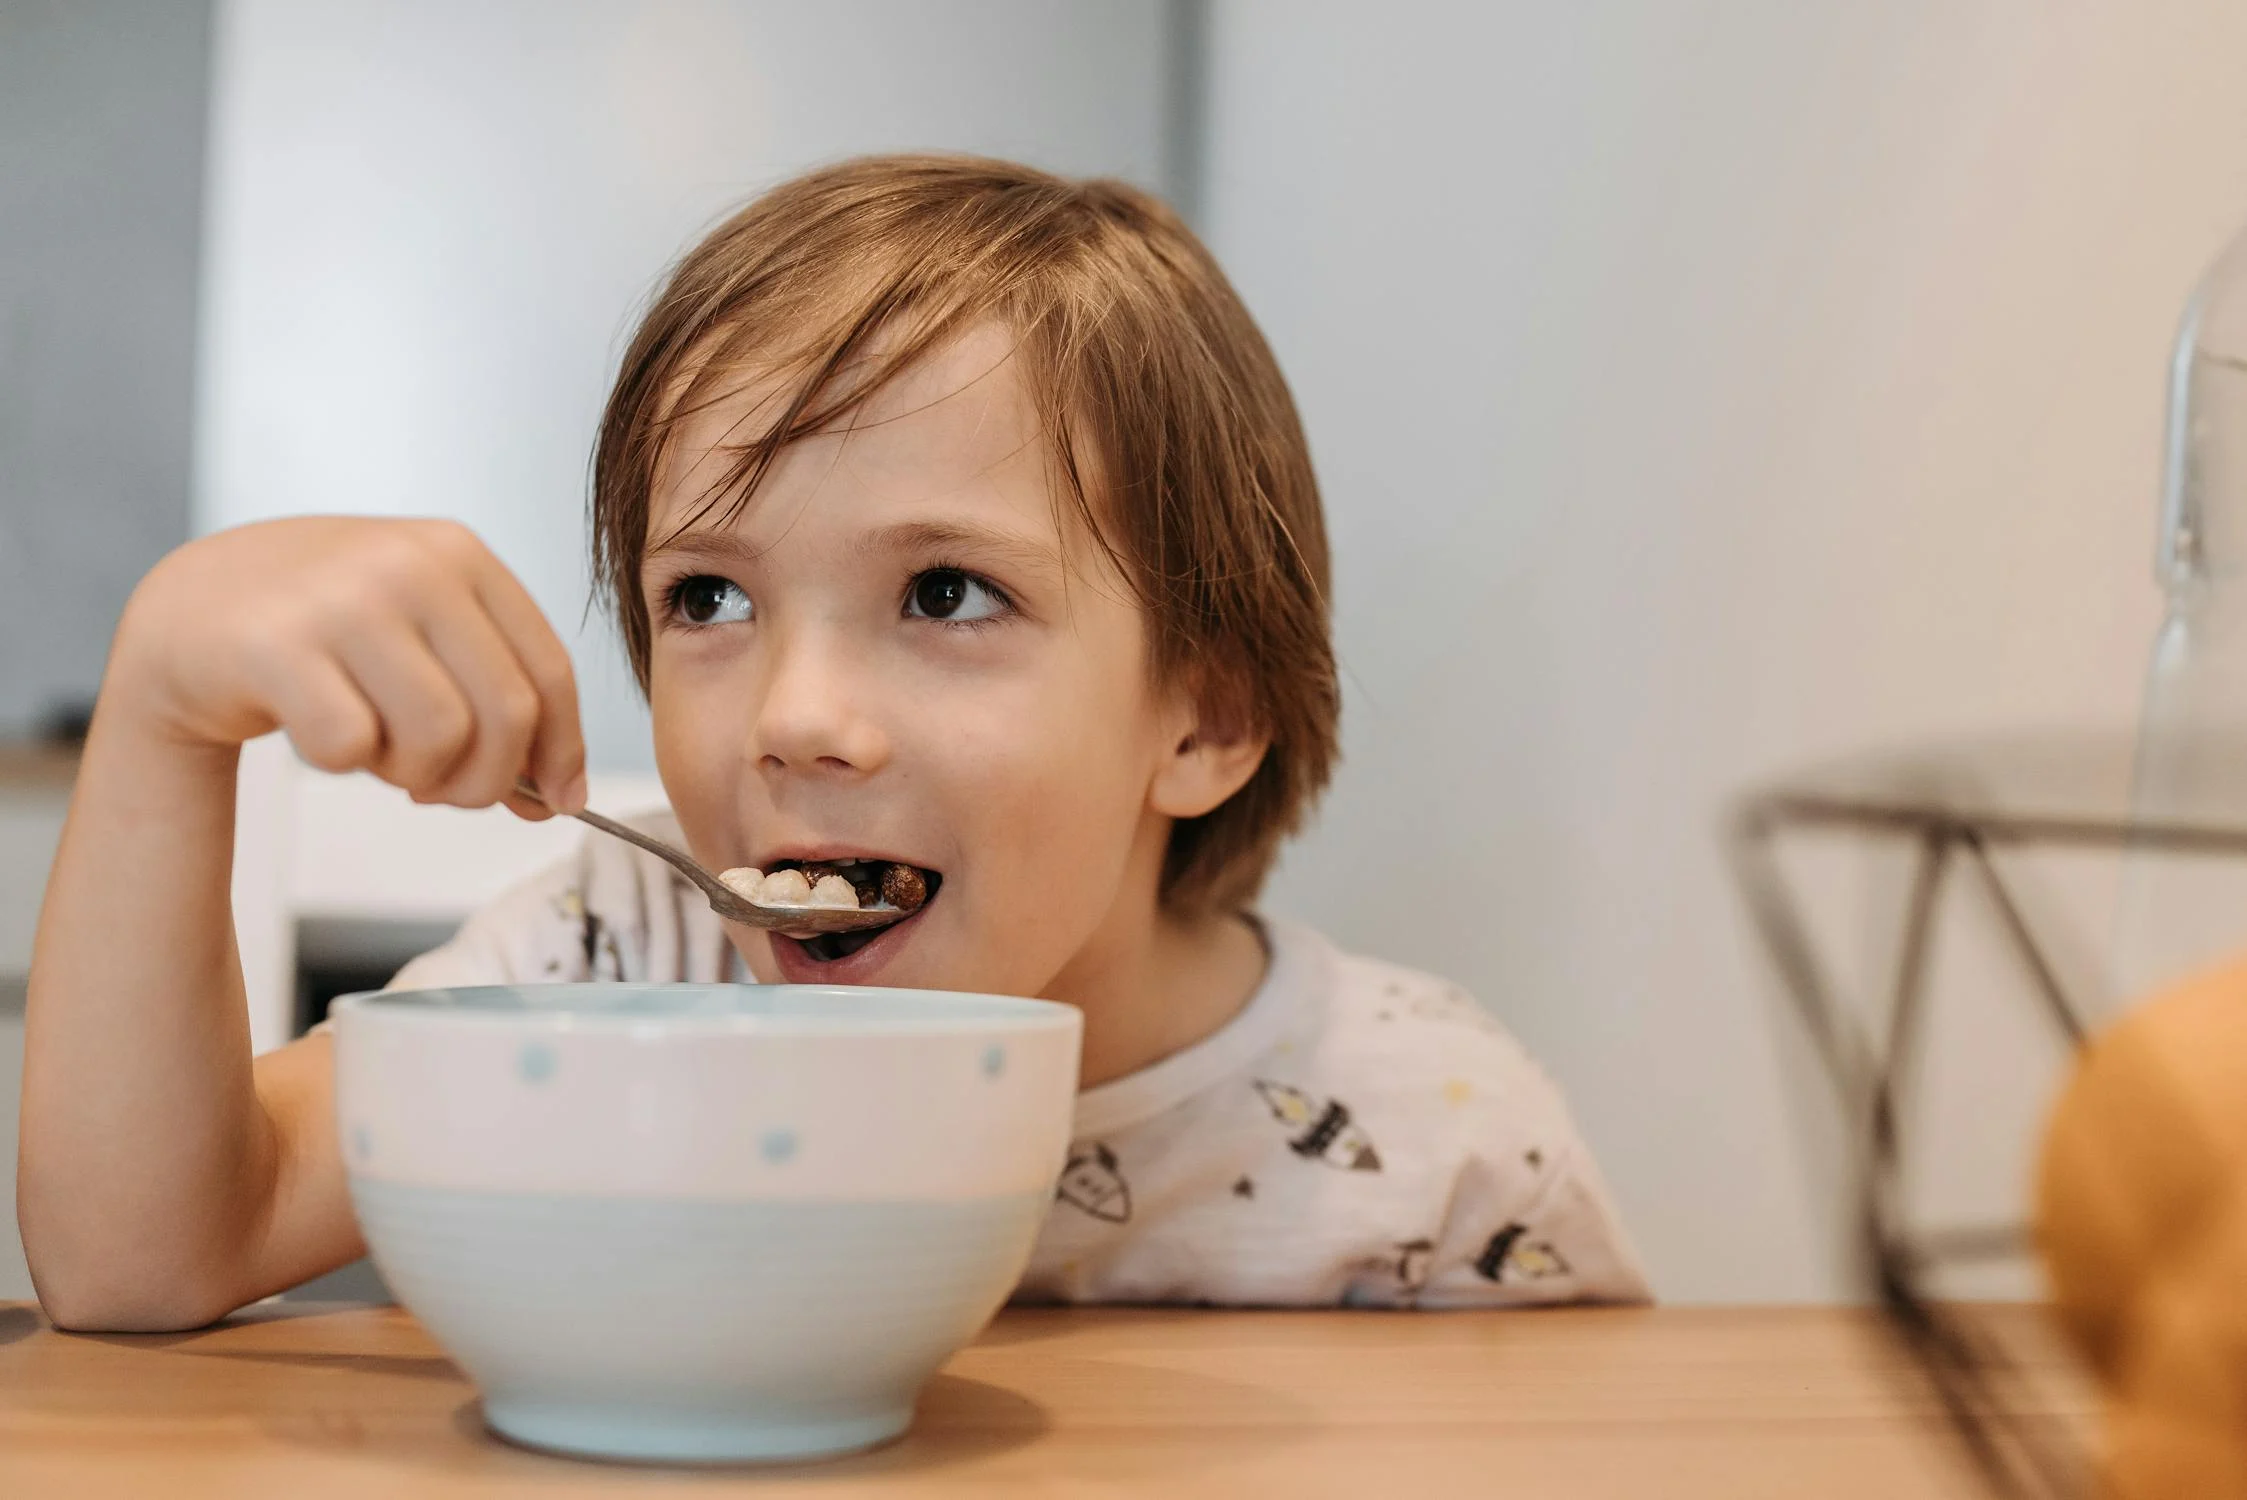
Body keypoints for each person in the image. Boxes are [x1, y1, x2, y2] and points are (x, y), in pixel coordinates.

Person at [21, 155, 1647, 1328]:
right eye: (708, 597)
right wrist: (166, 709)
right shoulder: (621, 960)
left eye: (945, 592)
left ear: (1205, 714)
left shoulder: (1430, 1138)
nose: (793, 717)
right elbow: (148, 1255)